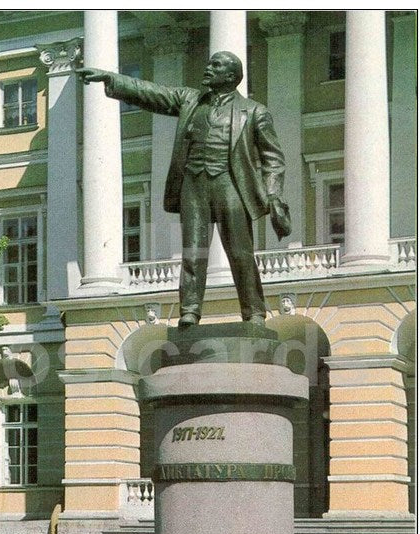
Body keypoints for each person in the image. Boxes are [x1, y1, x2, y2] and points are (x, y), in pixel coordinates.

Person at [80, 51, 291, 327]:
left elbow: (273, 158)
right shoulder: (190, 100)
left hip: (231, 184)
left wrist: (273, 194)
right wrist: (113, 79)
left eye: (215, 65)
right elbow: (153, 94)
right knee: (193, 252)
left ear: (230, 76)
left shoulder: (254, 111)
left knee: (240, 252)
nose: (208, 67)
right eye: (209, 62)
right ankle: (190, 310)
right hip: (194, 183)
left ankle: (254, 312)